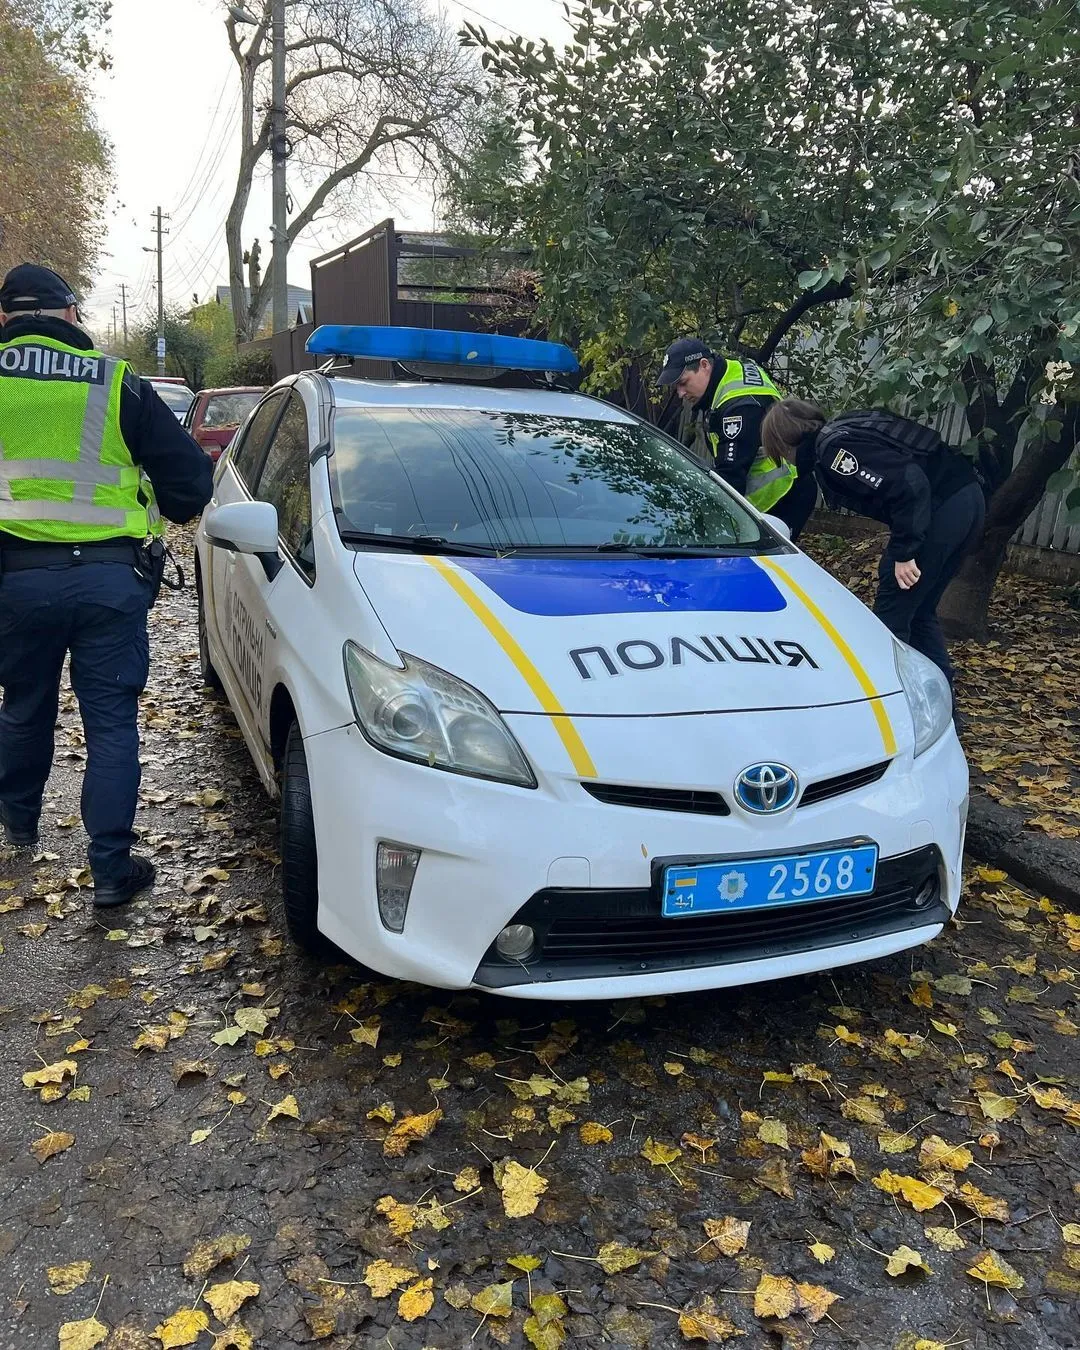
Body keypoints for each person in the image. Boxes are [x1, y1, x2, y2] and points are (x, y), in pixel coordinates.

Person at [0, 264, 213, 906]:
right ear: (70, 314)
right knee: (112, 725)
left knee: (23, 706)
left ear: (5, 318)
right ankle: (112, 872)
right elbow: (191, 487)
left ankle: (19, 826)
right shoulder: (117, 381)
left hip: (17, 583)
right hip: (109, 582)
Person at [760, 398, 985, 689]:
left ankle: (892, 703)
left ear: (783, 441)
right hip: (967, 498)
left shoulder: (833, 451)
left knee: (892, 616)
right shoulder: (843, 430)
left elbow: (910, 484)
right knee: (919, 613)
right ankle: (942, 708)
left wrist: (905, 552)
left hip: (943, 509)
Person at [656, 337, 817, 537]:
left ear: (704, 365)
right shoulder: (731, 372)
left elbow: (731, 478)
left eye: (683, 383)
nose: (680, 393)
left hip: (783, 496)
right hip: (774, 496)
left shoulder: (739, 408)